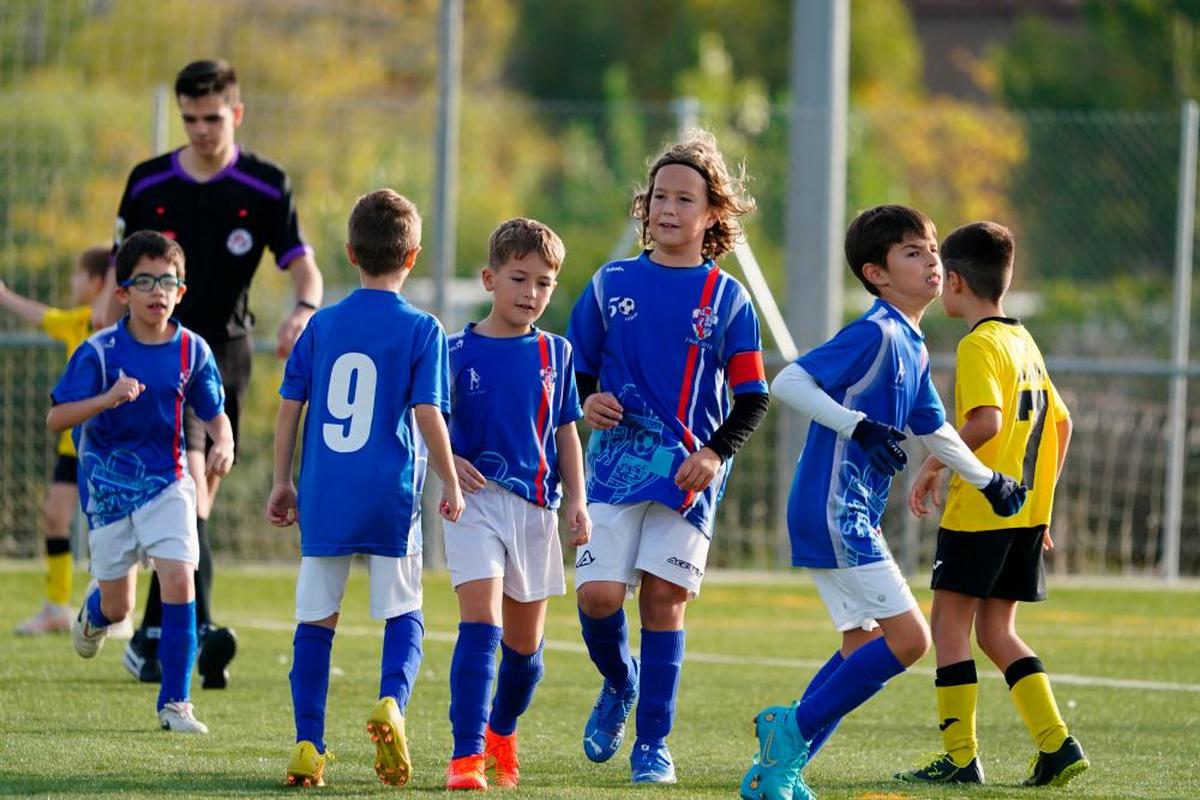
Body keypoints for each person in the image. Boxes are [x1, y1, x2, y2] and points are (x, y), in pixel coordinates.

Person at [739, 205, 1028, 800]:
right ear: (876, 273)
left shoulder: (912, 345)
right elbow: (788, 381)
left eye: (931, 249)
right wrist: (857, 427)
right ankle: (787, 730)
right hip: (834, 508)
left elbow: (938, 430)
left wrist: (987, 482)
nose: (931, 260)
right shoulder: (875, 332)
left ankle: (775, 772)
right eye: (913, 252)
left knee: (862, 645)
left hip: (844, 510)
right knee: (910, 640)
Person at [567, 129, 771, 785]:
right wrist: (588, 402)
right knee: (599, 597)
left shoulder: (727, 300)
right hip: (615, 469)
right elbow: (576, 372)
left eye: (685, 198)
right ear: (644, 205)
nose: (668, 208)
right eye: (659, 196)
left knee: (663, 600)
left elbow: (753, 397)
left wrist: (714, 455)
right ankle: (620, 682)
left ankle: (653, 744)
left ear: (714, 214)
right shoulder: (610, 283)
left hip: (688, 476)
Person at [111, 59, 323, 689]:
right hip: (153, 354)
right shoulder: (148, 181)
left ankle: (162, 633)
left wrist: (304, 310)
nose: (200, 130)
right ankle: (184, 630)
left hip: (224, 355)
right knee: (187, 488)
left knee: (198, 490)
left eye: (212, 117)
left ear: (236, 113)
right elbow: (115, 281)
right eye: (189, 118)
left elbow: (302, 268)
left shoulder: (264, 185)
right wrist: (105, 348)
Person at [266, 189, 464, 788]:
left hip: (326, 491)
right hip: (389, 495)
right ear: (415, 255)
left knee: (315, 619)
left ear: (351, 252)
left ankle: (307, 744)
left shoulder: (322, 325)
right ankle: (390, 705)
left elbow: (288, 408)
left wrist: (283, 481)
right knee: (404, 610)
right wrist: (450, 480)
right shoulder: (423, 328)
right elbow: (428, 414)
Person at [894, 221, 1087, 787]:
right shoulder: (1022, 340)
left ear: (954, 282)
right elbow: (1062, 423)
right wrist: (1042, 506)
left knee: (950, 628)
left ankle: (960, 758)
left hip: (981, 513)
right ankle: (1057, 744)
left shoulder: (979, 344)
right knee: (997, 633)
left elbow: (986, 422)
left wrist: (933, 464)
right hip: (1024, 513)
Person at [51, 230, 232, 733]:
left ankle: (175, 704)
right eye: (146, 280)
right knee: (120, 605)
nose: (158, 291)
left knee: (179, 577)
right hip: (108, 494)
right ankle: (93, 613)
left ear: (181, 291)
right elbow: (57, 418)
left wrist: (224, 442)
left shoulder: (193, 350)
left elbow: (214, 412)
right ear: (123, 292)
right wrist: (105, 400)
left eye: (168, 281)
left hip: (169, 485)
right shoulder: (100, 351)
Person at [443, 218, 591, 790]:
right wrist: (446, 462)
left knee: (525, 652)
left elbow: (567, 435)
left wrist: (577, 500)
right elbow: (428, 422)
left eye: (544, 283)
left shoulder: (557, 353)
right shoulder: (453, 351)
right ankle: (466, 756)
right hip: (474, 502)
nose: (530, 293)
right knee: (479, 626)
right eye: (519, 278)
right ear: (489, 279)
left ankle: (503, 728)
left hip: (536, 509)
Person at [3, 247, 110, 635]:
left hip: (113, 445)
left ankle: (116, 609)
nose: (71, 283)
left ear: (99, 281)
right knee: (55, 516)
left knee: (114, 526)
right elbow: (38, 313)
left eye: (78, 276)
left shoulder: (127, 324)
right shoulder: (77, 322)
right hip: (74, 444)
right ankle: (56, 607)